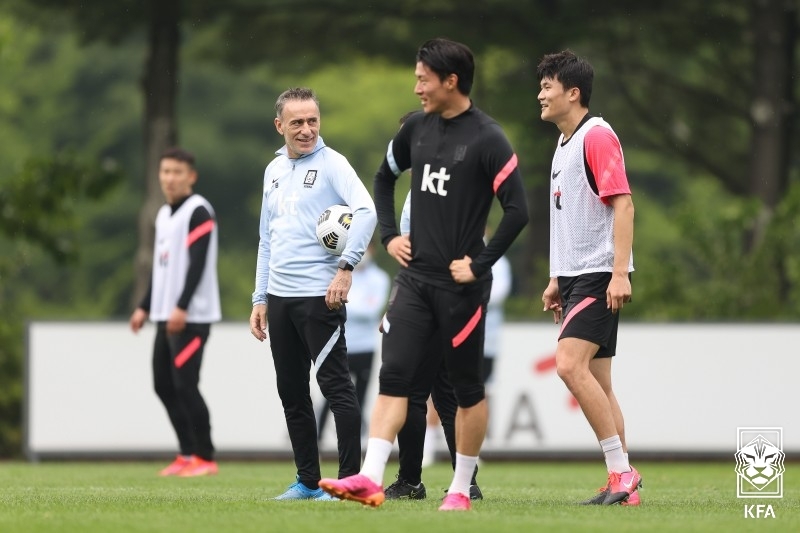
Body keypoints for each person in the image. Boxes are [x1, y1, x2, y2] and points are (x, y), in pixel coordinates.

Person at [319, 38, 529, 511]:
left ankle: (461, 487)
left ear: (451, 81)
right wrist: (391, 235)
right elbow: (383, 177)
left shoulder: (488, 138)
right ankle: (370, 478)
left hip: (462, 287)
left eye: (423, 79)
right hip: (414, 281)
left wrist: (479, 264)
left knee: (464, 389)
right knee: (394, 375)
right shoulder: (415, 128)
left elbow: (517, 210)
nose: (416, 88)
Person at [249, 87, 377, 501]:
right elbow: (267, 239)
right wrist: (260, 297)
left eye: (313, 121)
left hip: (319, 299)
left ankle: (349, 481)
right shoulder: (273, 170)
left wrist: (346, 268)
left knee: (337, 389)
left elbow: (367, 211)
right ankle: (307, 481)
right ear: (279, 126)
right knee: (292, 392)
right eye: (297, 122)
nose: (306, 130)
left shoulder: (332, 164)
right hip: (280, 299)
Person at [536, 50, 641, 506]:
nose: (540, 95)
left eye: (548, 86)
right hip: (576, 276)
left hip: (599, 275)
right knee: (600, 383)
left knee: (568, 365)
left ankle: (623, 474)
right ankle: (625, 486)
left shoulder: (596, 135)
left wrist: (619, 273)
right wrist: (555, 277)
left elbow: (623, 204)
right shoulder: (564, 144)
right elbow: (568, 218)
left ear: (573, 92)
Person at [384, 190, 485, 502]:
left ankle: (410, 480)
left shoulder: (424, 187)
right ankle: (466, 481)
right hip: (457, 297)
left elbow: (415, 256)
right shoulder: (463, 181)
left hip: (429, 297)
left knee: (412, 392)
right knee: (449, 395)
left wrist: (398, 305)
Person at [129, 147, 221, 477]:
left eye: (177, 172)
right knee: (163, 385)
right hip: (165, 316)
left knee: (186, 385)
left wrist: (181, 306)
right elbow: (161, 268)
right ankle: (186, 453)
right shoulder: (164, 215)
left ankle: (205, 457)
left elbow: (197, 264)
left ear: (191, 176)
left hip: (191, 318)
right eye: (165, 171)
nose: (170, 178)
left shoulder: (198, 211)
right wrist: (144, 307)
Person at [317, 241, 390, 440]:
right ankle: (318, 440)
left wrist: (342, 303)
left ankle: (355, 443)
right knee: (330, 395)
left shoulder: (380, 278)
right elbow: (328, 304)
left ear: (372, 250)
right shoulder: (338, 275)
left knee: (359, 399)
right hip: (340, 344)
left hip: (365, 347)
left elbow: (372, 311)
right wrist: (350, 303)